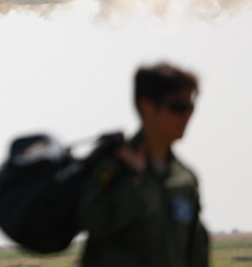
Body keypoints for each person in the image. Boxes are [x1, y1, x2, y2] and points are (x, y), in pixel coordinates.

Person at [78, 63, 209, 267]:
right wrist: (133, 183)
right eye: (177, 107)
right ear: (146, 107)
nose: (186, 117)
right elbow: (93, 221)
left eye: (190, 108)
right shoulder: (113, 167)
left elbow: (195, 251)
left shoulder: (184, 179)